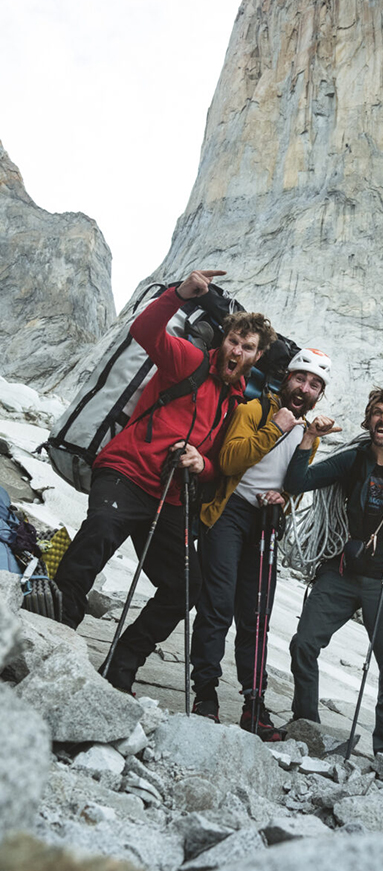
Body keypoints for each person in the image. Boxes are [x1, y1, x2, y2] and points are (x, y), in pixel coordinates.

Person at [55, 269, 276, 694]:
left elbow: (217, 467)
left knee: (184, 585)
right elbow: (145, 331)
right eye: (233, 340)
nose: (237, 350)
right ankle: (59, 627)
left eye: (247, 347)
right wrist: (180, 294)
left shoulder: (235, 402)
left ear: (257, 356)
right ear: (223, 341)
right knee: (101, 529)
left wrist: (200, 463)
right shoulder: (189, 361)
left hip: (169, 496)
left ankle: (122, 664)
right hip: (125, 471)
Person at [284, 388, 383, 758]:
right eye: (377, 413)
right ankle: (306, 725)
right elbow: (296, 483)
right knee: (304, 643)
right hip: (342, 570)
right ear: (368, 420)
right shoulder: (353, 458)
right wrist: (309, 438)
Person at [190, 348, 333, 738]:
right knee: (218, 605)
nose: (304, 388)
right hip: (229, 512)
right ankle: (205, 695)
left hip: (266, 520)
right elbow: (230, 460)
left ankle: (254, 705)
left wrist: (282, 495)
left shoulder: (307, 434)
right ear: (287, 379)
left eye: (314, 384)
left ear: (319, 394)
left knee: (256, 617)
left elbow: (293, 482)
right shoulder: (253, 411)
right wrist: (277, 427)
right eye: (300, 379)